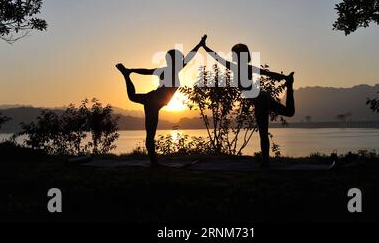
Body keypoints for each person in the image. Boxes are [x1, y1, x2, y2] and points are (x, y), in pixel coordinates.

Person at [116, 35, 207, 165]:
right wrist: (199, 44)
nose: (181, 61)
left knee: (134, 100)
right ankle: (154, 162)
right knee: (149, 131)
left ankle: (126, 75)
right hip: (154, 100)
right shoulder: (172, 69)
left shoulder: (166, 70)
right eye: (179, 59)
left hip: (153, 100)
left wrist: (131, 70)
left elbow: (147, 71)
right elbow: (189, 57)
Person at [201, 41, 295, 167]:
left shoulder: (237, 67)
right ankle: (289, 86)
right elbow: (268, 73)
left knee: (263, 132)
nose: (232, 56)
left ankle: (265, 163)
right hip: (262, 97)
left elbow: (217, 57)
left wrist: (204, 46)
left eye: (234, 54)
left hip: (260, 100)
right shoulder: (248, 67)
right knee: (289, 113)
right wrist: (284, 77)